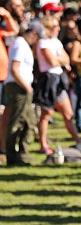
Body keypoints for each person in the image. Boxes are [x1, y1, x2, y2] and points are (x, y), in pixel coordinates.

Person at [35, 14, 81, 155]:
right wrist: (60, 60)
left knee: (68, 113)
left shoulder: (55, 41)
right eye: (55, 26)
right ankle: (43, 144)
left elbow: (67, 59)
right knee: (46, 114)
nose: (58, 29)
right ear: (48, 28)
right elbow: (51, 62)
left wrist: (60, 59)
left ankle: (78, 141)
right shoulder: (43, 42)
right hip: (48, 80)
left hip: (58, 79)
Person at [4, 22, 42, 166]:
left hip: (21, 86)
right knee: (16, 122)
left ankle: (22, 154)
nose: (37, 41)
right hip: (19, 87)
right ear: (33, 33)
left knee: (29, 121)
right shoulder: (20, 44)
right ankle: (12, 158)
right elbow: (15, 68)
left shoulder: (22, 44)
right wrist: (27, 87)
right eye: (37, 37)